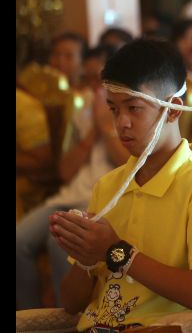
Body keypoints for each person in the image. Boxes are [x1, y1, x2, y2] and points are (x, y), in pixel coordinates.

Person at [47, 39, 192, 330]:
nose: (121, 123)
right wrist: (85, 259)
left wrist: (117, 251)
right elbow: (71, 303)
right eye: (113, 109)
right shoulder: (108, 186)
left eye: (134, 108)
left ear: (173, 109)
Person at [17, 46, 129, 309]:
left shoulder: (129, 116)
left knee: (59, 243)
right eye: (90, 81)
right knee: (19, 241)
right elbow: (65, 172)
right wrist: (91, 133)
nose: (95, 89)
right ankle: (31, 316)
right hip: (69, 195)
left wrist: (105, 126)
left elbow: (130, 166)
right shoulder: (82, 111)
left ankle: (65, 317)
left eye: (101, 81)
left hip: (102, 197)